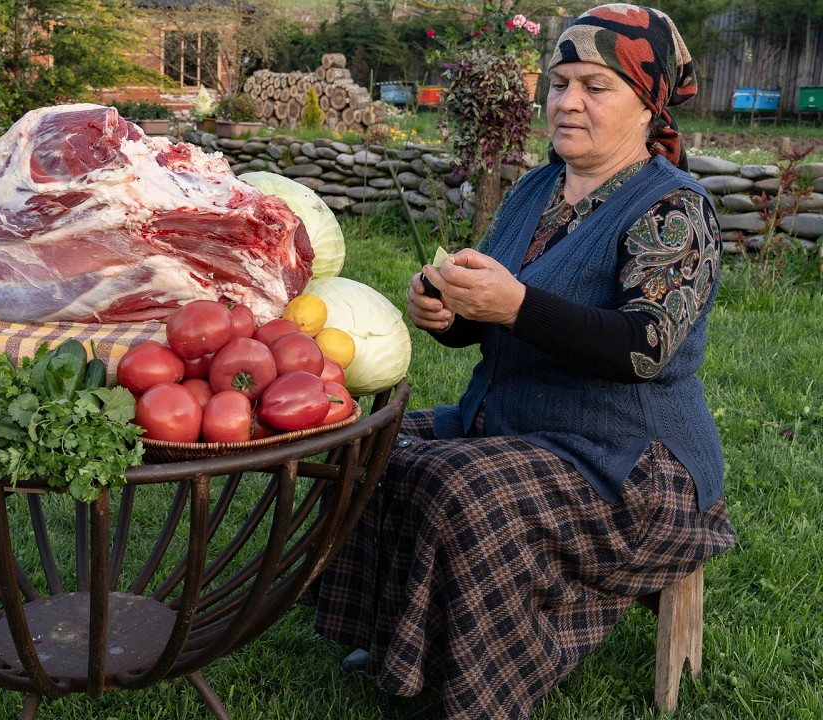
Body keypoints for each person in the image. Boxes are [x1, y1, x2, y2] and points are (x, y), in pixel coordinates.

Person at [311, 4, 737, 718]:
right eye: (561, 81)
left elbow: (644, 346)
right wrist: (448, 312)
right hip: (517, 421)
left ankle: (481, 683)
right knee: (360, 440)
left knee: (460, 487)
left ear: (646, 101)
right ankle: (395, 641)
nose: (568, 101)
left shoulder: (673, 210)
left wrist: (512, 306)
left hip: (633, 464)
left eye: (595, 87)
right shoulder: (536, 190)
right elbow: (497, 314)